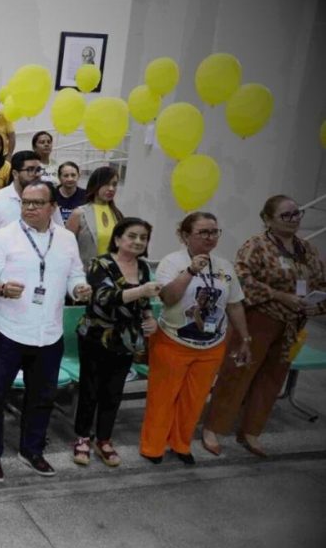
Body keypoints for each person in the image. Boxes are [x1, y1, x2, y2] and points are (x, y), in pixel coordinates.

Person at [0, 181, 91, 482]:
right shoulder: (3, 237)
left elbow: (75, 272)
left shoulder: (66, 239)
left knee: (42, 397)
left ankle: (32, 450)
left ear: (52, 207)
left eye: (37, 203)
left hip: (48, 334)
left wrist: (78, 287)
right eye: (25, 202)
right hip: (8, 332)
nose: (29, 208)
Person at [202, 196, 326, 456]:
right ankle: (214, 428)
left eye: (296, 214)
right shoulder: (256, 246)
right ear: (268, 219)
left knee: (272, 378)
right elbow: (242, 280)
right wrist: (280, 296)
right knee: (237, 375)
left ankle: (251, 431)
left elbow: (322, 283)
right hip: (257, 320)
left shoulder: (308, 250)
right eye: (286, 215)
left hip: (293, 324)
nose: (294, 220)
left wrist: (317, 305)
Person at [141, 212, 252, 465]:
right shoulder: (172, 262)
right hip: (172, 341)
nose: (210, 237)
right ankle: (153, 447)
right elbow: (168, 298)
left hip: (211, 344)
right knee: (163, 398)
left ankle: (180, 444)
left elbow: (234, 305)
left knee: (195, 399)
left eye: (214, 232)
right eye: (203, 232)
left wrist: (245, 338)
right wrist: (191, 271)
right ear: (185, 235)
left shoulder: (224, 265)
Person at [72, 218, 161, 467]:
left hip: (127, 339)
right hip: (96, 336)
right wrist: (141, 291)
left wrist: (150, 319)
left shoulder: (142, 267)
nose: (137, 241)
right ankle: (82, 437)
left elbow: (144, 304)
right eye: (132, 236)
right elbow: (103, 298)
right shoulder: (101, 263)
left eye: (143, 238)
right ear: (118, 238)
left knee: (114, 391)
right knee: (91, 389)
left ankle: (104, 439)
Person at [0, 150, 63, 266]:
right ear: (15, 174)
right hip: (4, 274)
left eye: (39, 170)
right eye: (30, 170)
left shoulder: (48, 200)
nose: (36, 174)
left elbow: (59, 232)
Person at [67, 166, 124, 272]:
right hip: (85, 275)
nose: (111, 188)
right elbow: (65, 249)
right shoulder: (79, 214)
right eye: (106, 184)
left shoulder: (117, 215)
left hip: (112, 276)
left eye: (114, 184)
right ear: (95, 185)